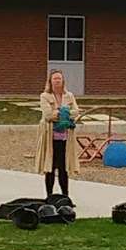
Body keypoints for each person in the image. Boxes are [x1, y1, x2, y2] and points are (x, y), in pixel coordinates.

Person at [34, 70, 80, 199]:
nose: (57, 81)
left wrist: (64, 113)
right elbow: (48, 115)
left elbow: (76, 112)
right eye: (55, 79)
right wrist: (64, 113)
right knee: (50, 168)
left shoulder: (69, 96)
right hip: (51, 137)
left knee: (63, 168)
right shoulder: (44, 96)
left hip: (65, 137)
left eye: (59, 78)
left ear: (63, 80)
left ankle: (66, 197)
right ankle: (49, 196)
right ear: (50, 81)